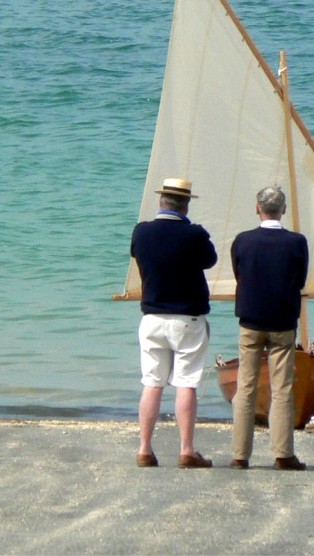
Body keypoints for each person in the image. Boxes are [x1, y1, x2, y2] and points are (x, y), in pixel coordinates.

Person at [130, 177, 218, 468]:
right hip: (186, 318)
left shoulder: (141, 232)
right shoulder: (194, 234)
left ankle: (144, 448)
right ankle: (186, 450)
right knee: (186, 384)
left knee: (152, 383)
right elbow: (209, 261)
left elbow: (138, 254)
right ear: (187, 204)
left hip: (152, 318)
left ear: (161, 201)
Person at [229, 185, 309, 471]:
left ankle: (240, 455)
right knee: (282, 389)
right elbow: (300, 280)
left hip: (250, 320)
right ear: (283, 209)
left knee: (245, 387)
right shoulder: (297, 242)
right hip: (283, 321)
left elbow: (239, 274)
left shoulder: (242, 240)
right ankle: (283, 454)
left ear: (257, 207)